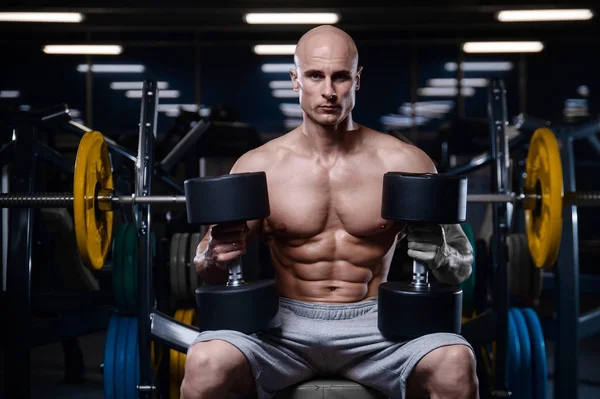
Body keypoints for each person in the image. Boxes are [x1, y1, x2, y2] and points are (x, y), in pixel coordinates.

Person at [182, 25, 478, 399]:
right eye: (315, 75)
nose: (328, 91)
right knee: (205, 362)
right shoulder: (260, 167)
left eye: (340, 77)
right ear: (295, 79)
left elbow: (462, 264)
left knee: (455, 362)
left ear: (357, 80)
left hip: (378, 326)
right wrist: (212, 257)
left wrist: (441, 255)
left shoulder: (405, 161)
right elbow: (206, 267)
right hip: (281, 328)